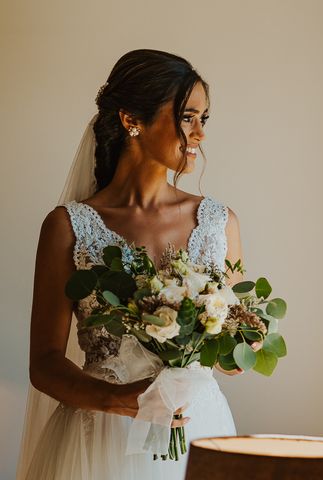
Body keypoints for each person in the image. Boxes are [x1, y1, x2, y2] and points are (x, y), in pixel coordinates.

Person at [17, 49, 252, 479]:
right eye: (186, 117)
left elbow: (227, 360)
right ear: (132, 120)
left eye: (204, 119)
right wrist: (117, 400)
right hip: (98, 439)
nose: (198, 133)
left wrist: (243, 344)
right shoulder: (68, 227)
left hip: (198, 430)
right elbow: (44, 363)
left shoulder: (220, 224)